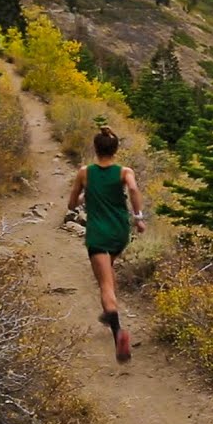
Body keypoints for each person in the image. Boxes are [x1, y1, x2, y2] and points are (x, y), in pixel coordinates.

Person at [66, 126, 147, 362]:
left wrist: (82, 198)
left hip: (98, 234)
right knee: (108, 270)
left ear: (95, 148)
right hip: (120, 232)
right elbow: (132, 188)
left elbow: (72, 204)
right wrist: (139, 218)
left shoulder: (85, 172)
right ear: (116, 149)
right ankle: (109, 312)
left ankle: (117, 329)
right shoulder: (124, 172)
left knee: (105, 285)